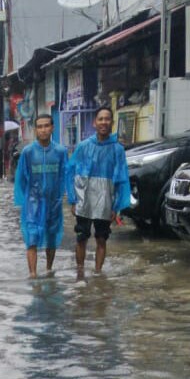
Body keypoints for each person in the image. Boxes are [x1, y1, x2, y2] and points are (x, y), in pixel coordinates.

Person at [66, 106, 131, 275]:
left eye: (107, 119)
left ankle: (97, 273)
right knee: (81, 237)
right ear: (94, 123)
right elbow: (71, 172)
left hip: (105, 202)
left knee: (102, 239)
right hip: (84, 199)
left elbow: (122, 179)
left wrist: (116, 207)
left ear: (112, 122)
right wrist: (73, 200)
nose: (104, 122)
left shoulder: (118, 150)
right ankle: (80, 273)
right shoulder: (83, 146)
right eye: (100, 119)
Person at [14, 114, 68, 278]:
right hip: (33, 203)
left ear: (52, 128)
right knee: (32, 237)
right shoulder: (28, 152)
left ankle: (49, 269)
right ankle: (33, 274)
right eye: (40, 126)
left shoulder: (60, 151)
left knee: (51, 237)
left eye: (46, 126)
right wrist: (26, 200)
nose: (43, 130)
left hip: (54, 202)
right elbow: (21, 178)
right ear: (35, 130)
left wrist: (64, 197)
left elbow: (65, 175)